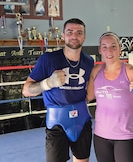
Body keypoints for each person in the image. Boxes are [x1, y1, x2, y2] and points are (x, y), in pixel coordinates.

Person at [22, 18, 94, 162]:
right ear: (63, 35)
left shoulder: (88, 61)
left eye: (79, 32)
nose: (74, 36)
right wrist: (47, 83)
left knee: (82, 160)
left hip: (82, 119)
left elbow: (89, 91)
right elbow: (26, 90)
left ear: (84, 37)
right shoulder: (48, 59)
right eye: (70, 32)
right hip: (56, 121)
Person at [86, 32, 133, 162]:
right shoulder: (95, 72)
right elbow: (88, 96)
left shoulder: (132, 72)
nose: (109, 51)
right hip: (101, 136)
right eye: (104, 47)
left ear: (120, 49)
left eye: (113, 46)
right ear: (100, 50)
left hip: (126, 136)